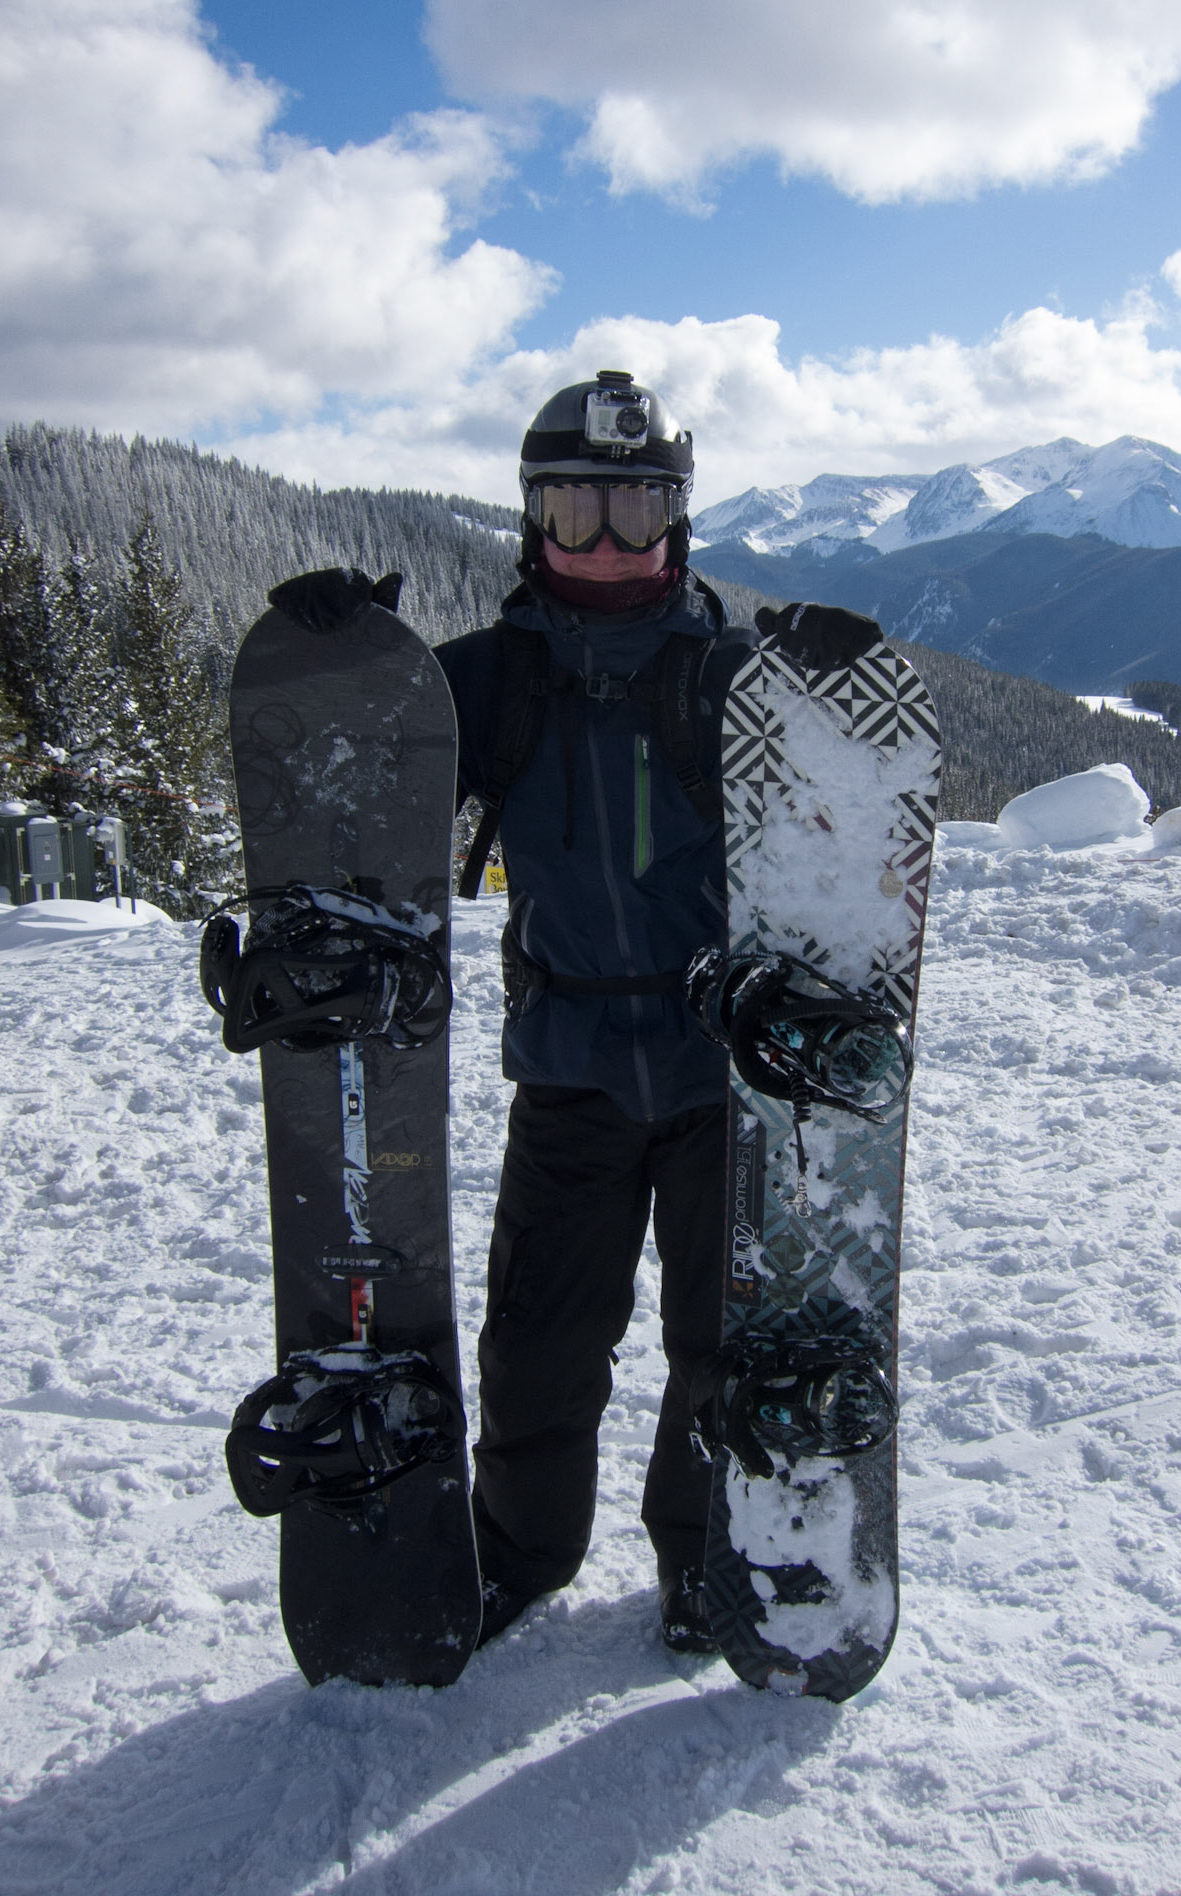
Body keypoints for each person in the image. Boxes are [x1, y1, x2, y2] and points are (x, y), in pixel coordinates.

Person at [435, 370, 756, 1653]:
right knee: (539, 1341)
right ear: (534, 520)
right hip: (569, 1066)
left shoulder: (731, 678)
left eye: (638, 510)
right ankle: (516, 1552)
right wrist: (349, 667)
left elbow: (846, 820)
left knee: (720, 1340)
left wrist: (826, 693)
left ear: (679, 521)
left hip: (716, 1067)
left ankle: (703, 1554)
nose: (610, 542)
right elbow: (372, 764)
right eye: (578, 511)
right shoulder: (491, 680)